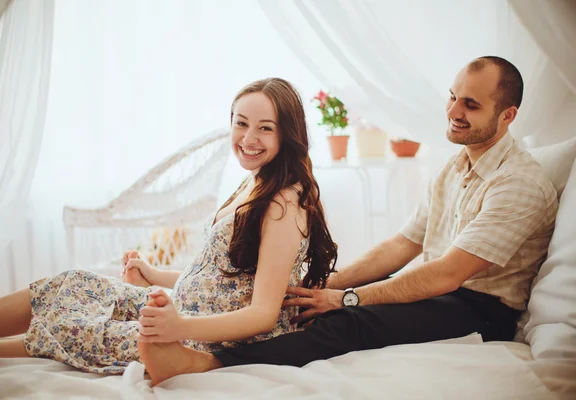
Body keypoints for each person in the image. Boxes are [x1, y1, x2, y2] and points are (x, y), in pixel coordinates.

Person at [136, 56, 559, 386]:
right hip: (442, 289)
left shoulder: (519, 183)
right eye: (452, 96)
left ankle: (205, 362)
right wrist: (327, 285)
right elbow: (400, 246)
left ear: (507, 116)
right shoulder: (455, 167)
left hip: (481, 310)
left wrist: (348, 299)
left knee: (349, 320)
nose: (454, 110)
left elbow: (447, 275)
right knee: (315, 307)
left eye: (471, 104)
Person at [0, 78, 338, 374]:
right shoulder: (255, 182)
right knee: (73, 284)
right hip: (188, 312)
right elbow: (221, 278)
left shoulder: (282, 205)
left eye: (265, 129)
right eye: (240, 123)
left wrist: (178, 327)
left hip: (212, 334)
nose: (248, 138)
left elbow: (262, 313)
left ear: (287, 135)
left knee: (77, 324)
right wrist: (154, 274)